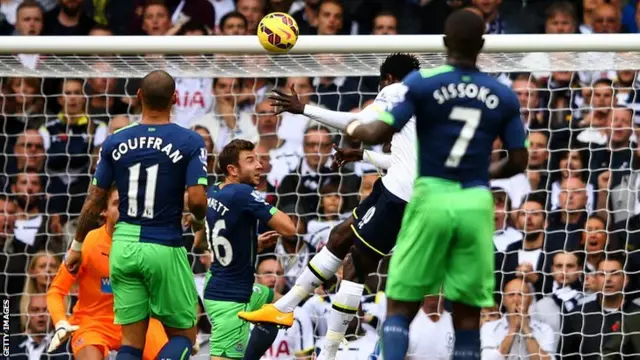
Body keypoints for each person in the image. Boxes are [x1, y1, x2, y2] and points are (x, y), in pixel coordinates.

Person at [329, 9, 529, 359]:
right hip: (473, 202)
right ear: (481, 44)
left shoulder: (421, 84)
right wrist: (481, 174)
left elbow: (376, 132)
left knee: (400, 306)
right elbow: (519, 161)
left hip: (431, 198)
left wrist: (353, 129)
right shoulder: (503, 94)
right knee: (467, 316)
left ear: (446, 43)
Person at [239, 53, 421, 360]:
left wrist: (303, 109)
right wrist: (362, 157)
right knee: (338, 237)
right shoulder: (426, 105)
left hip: (399, 196)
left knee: (354, 267)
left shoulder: (396, 91)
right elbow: (408, 162)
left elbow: (358, 123)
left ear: (387, 79)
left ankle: (328, 353)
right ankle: (282, 309)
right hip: (398, 189)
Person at [64, 70, 209, 360]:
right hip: (164, 244)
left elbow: (94, 200)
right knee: (184, 338)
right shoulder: (190, 141)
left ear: (139, 97)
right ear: (175, 99)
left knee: (130, 343)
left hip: (124, 245)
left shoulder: (115, 141)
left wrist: (77, 246)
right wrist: (199, 226)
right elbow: (196, 199)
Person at [200, 139, 297, 360]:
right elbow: (289, 228)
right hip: (229, 299)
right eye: (250, 160)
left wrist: (252, 242)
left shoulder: (214, 190)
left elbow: (217, 235)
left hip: (224, 282)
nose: (259, 165)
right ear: (232, 170)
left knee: (282, 305)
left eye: (258, 159)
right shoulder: (242, 193)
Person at [46, 186, 168, 360]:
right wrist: (60, 322)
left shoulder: (150, 244)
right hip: (93, 323)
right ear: (104, 211)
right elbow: (55, 291)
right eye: (118, 203)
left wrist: (183, 329)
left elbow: (166, 291)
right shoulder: (87, 245)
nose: (124, 209)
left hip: (139, 321)